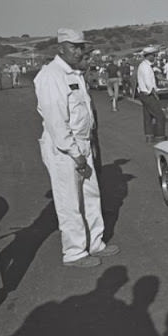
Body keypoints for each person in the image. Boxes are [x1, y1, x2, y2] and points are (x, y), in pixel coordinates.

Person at [33, 28, 119, 267]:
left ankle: (95, 242)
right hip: (64, 148)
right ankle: (74, 252)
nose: (79, 51)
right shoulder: (52, 75)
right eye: (74, 46)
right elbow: (56, 122)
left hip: (82, 143)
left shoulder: (75, 73)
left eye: (81, 47)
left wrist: (87, 147)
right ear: (61, 48)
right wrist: (75, 153)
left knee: (91, 195)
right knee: (69, 200)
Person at [137, 46, 167, 143]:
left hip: (143, 93)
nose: (154, 57)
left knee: (148, 116)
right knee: (160, 116)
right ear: (148, 56)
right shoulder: (146, 67)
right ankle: (160, 137)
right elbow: (148, 82)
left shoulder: (143, 65)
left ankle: (149, 136)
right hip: (148, 94)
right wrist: (155, 93)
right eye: (153, 55)